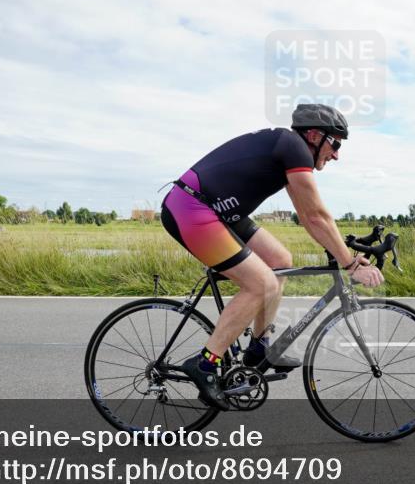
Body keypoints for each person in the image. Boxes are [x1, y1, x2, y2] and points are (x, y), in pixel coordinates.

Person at [160, 103, 385, 409]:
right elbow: (316, 216)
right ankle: (205, 363)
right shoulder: (294, 147)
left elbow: (309, 216)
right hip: (192, 209)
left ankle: (259, 348)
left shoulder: (289, 152)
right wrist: (349, 263)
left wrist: (345, 251)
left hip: (219, 211)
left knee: (280, 262)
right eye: (335, 144)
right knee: (261, 283)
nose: (336, 154)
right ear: (316, 135)